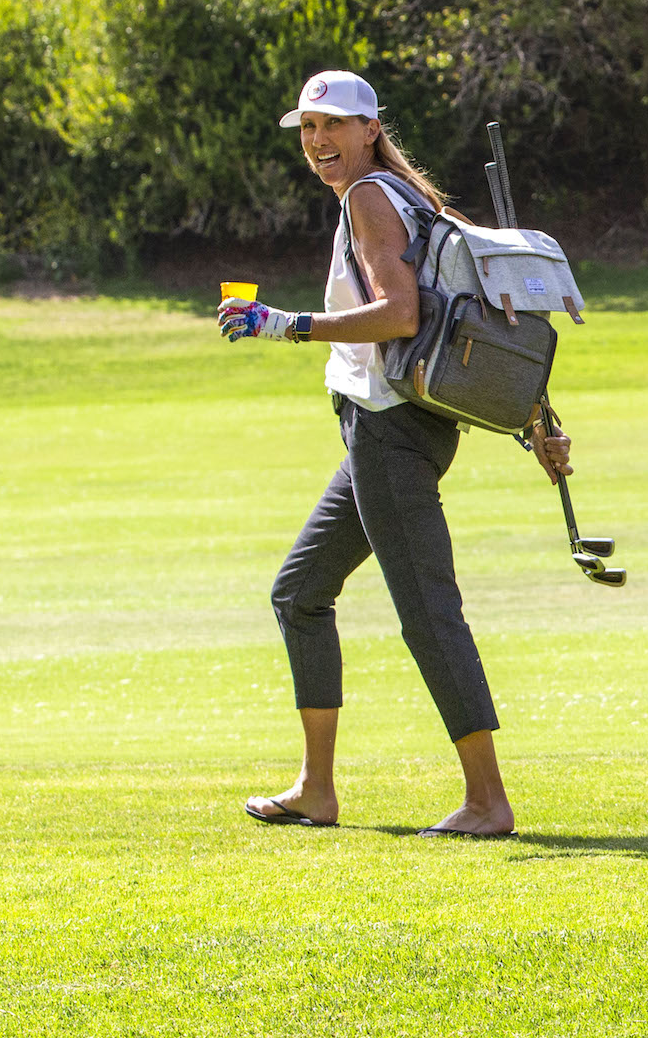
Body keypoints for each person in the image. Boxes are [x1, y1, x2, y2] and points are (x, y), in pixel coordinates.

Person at [216, 69, 571, 837]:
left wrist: (283, 324)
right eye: (308, 129)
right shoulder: (409, 197)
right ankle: (317, 790)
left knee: (428, 614)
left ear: (370, 129)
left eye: (333, 126)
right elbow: (481, 317)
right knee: (299, 593)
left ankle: (487, 801)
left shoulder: (373, 199)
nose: (318, 142)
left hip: (388, 431)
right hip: (387, 428)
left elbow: (399, 314)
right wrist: (538, 422)